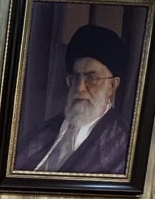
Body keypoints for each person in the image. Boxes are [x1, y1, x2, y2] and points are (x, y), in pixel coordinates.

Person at [15, 24, 131, 174]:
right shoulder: (44, 130)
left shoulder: (123, 148)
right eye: (75, 77)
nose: (79, 88)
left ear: (112, 85)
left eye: (91, 78)